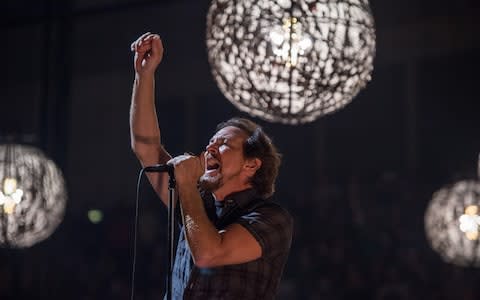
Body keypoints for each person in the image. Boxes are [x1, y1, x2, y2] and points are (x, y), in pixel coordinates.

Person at [129, 32, 293, 299]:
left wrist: (185, 185)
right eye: (211, 142)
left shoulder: (271, 218)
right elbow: (146, 148)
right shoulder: (197, 201)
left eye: (224, 144)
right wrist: (144, 76)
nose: (210, 148)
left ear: (251, 165)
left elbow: (209, 253)